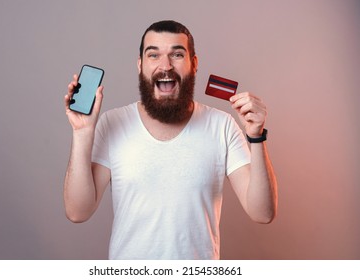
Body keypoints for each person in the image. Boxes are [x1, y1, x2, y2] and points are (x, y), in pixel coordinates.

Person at [63, 20, 277, 260]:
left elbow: (262, 213)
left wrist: (256, 136)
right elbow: (77, 211)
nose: (165, 65)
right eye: (153, 55)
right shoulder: (112, 123)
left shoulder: (222, 125)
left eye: (177, 54)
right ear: (140, 65)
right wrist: (82, 133)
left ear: (193, 64)